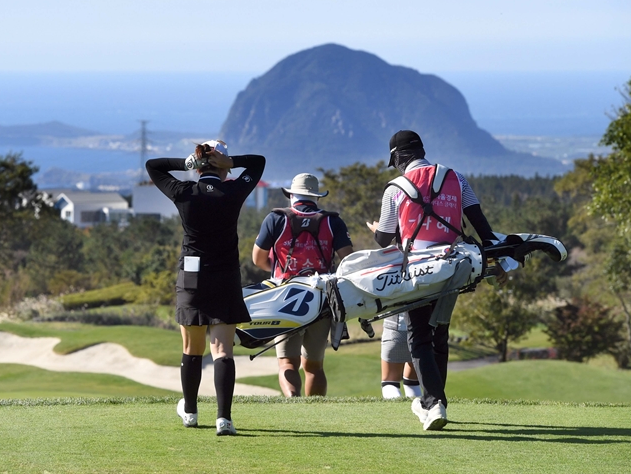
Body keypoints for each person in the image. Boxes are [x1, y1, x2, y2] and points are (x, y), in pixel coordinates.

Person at [367, 130, 503, 430]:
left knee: (418, 336)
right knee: (439, 332)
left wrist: (376, 228)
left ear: (398, 158)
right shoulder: (457, 178)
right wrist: (499, 260)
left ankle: (432, 402)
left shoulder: (395, 187)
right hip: (455, 266)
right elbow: (482, 226)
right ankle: (436, 400)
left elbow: (384, 238)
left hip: (417, 269)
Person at [146, 140, 265, 436]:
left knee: (192, 348)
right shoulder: (233, 190)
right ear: (222, 163)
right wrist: (230, 161)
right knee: (223, 349)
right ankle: (224, 419)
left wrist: (190, 163)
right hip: (224, 276)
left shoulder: (184, 192)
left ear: (198, 165)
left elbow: (154, 166)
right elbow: (258, 162)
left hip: (192, 277)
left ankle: (190, 412)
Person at [251, 173, 353, 397]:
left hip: (285, 297)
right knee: (314, 365)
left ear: (291, 195)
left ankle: (294, 404)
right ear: (316, 197)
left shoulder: (276, 219)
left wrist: (276, 266)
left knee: (287, 362)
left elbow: (257, 259)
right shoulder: (332, 221)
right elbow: (348, 260)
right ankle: (314, 412)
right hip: (322, 297)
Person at [379, 313, 421, 399]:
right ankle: (419, 410)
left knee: (390, 383)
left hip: (396, 330)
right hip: (421, 332)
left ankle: (397, 411)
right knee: (412, 382)